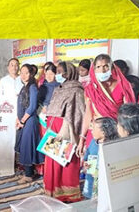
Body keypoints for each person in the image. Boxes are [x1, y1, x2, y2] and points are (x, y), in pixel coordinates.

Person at [78, 55, 136, 155]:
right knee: (93, 166)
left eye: (106, 66)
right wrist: (82, 138)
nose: (102, 70)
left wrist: (126, 137)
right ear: (94, 69)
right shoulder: (90, 89)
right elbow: (88, 114)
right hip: (96, 134)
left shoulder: (122, 86)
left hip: (117, 133)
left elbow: (128, 115)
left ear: (112, 67)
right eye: (98, 67)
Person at [44, 61, 85, 202]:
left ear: (70, 73)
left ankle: (66, 193)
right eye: (58, 71)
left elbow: (80, 113)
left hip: (66, 130)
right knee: (53, 162)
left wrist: (76, 133)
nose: (58, 74)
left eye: (62, 71)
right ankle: (53, 191)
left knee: (65, 162)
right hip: (53, 129)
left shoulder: (77, 90)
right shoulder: (58, 89)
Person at [15, 64, 43, 183]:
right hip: (23, 121)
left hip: (29, 121)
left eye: (26, 73)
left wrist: (22, 120)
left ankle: (28, 175)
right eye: (21, 72)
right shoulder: (24, 87)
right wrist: (18, 118)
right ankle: (29, 172)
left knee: (27, 147)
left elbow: (32, 107)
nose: (23, 75)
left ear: (31, 74)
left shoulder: (32, 87)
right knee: (23, 145)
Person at [82, 117, 118, 199]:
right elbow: (86, 157)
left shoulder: (111, 147)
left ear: (103, 132)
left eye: (94, 128)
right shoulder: (93, 143)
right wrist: (85, 165)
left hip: (104, 186)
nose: (91, 131)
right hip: (90, 182)